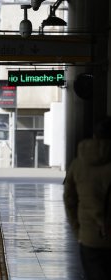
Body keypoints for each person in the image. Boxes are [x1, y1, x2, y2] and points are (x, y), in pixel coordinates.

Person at [63, 116, 111, 280]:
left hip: (89, 237)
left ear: (94, 136)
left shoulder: (78, 164)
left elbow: (69, 199)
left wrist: (78, 230)